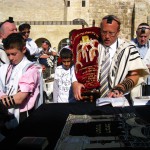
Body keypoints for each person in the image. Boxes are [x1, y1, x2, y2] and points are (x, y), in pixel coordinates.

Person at [72, 15, 149, 101]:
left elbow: (135, 75)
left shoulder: (128, 49)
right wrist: (75, 83)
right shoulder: (91, 46)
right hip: (91, 100)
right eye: (104, 32)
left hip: (118, 100)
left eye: (111, 33)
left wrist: (120, 88)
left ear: (118, 32)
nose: (107, 36)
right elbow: (77, 65)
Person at [0, 33, 43, 127]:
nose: (10, 58)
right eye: (8, 54)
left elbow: (20, 98)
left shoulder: (31, 69)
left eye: (14, 54)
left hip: (24, 117)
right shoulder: (4, 68)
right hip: (6, 115)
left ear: (23, 49)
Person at [131, 23, 150, 95]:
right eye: (140, 36)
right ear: (136, 33)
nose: (143, 39)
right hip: (135, 84)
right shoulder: (129, 46)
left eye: (145, 36)